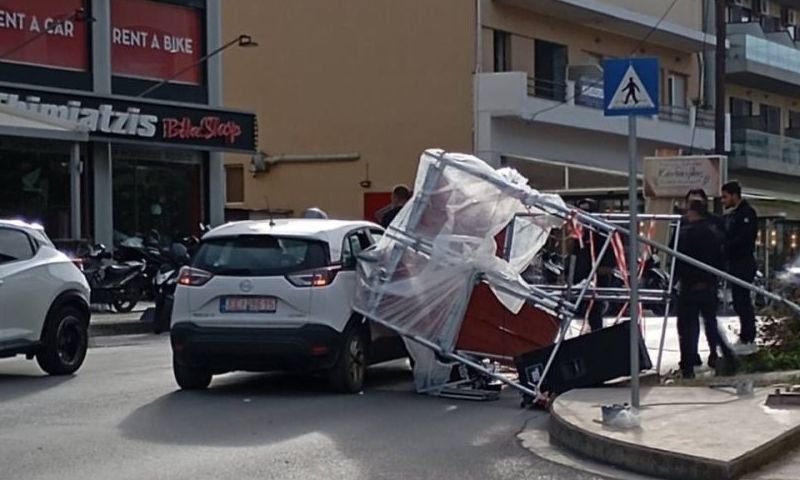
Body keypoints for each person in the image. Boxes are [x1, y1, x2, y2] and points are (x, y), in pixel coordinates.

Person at [675, 200, 737, 379]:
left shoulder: (687, 233)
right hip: (708, 285)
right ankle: (727, 354)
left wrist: (683, 280)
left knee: (688, 327)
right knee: (710, 324)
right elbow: (720, 259)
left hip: (690, 286)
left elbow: (681, 260)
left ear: (693, 213)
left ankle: (688, 366)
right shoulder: (713, 233)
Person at [721, 181, 759, 355]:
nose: (723, 200)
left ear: (734, 195)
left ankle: (748, 336)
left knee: (743, 301)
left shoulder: (746, 213)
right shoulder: (734, 214)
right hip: (736, 262)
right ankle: (746, 335)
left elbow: (744, 238)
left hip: (743, 262)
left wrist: (725, 246)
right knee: (738, 300)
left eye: (725, 197)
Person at [568, 198, 615, 332]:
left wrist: (605, 267)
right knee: (578, 306)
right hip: (582, 273)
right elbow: (576, 251)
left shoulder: (601, 229)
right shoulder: (580, 230)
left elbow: (609, 250)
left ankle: (596, 332)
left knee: (595, 309)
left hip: (598, 275)